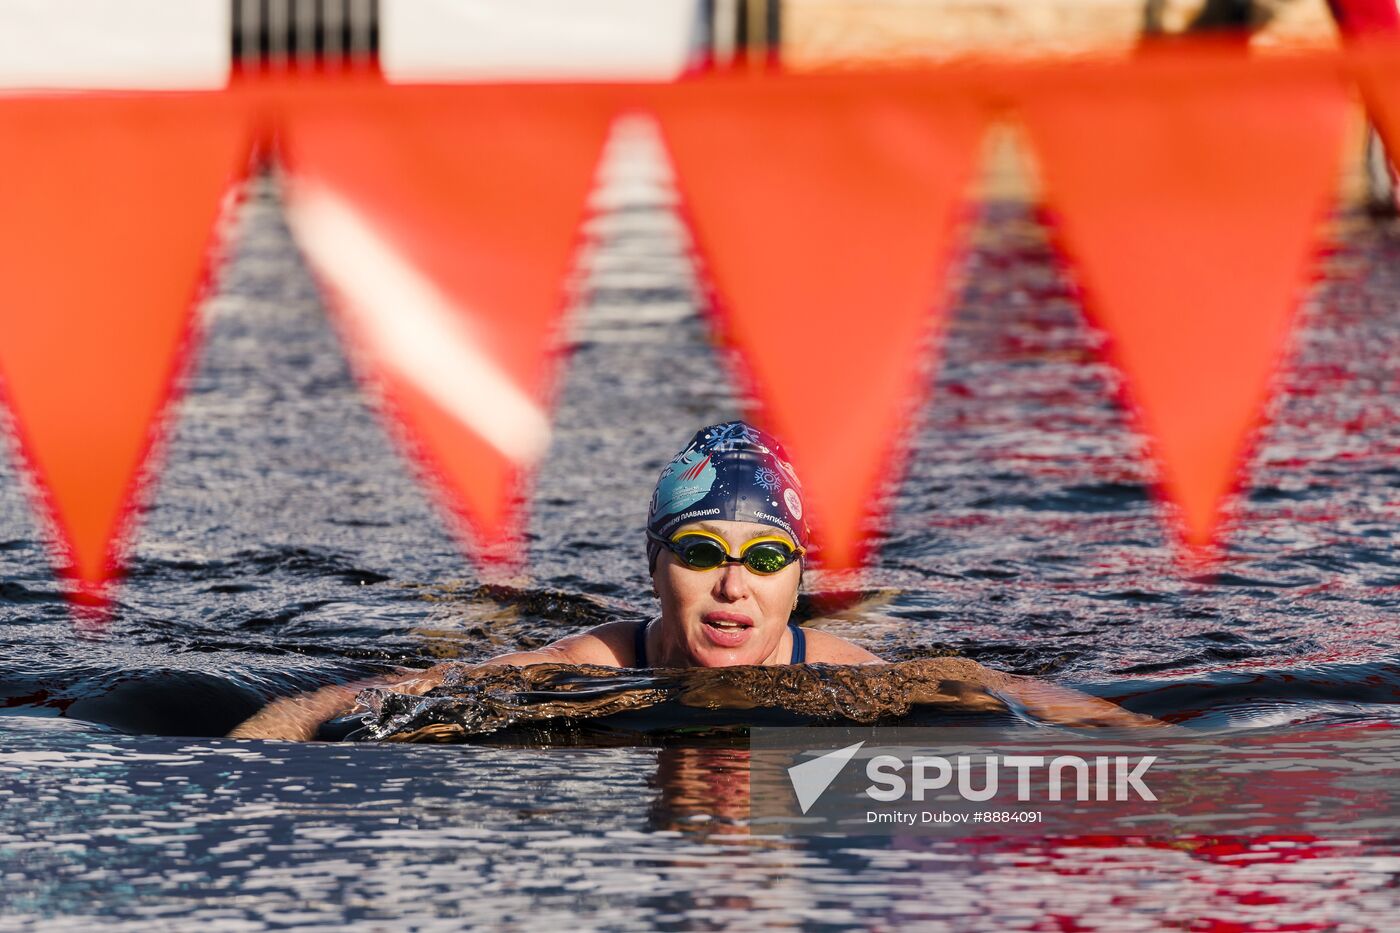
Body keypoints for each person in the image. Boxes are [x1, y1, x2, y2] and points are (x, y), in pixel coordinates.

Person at [231, 420, 1154, 740]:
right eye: (701, 553)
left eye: (763, 560)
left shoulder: (849, 673)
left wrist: (1194, 768)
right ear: (655, 563)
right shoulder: (583, 667)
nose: (731, 589)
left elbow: (1030, 696)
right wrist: (242, 754)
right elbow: (351, 698)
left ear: (798, 577)